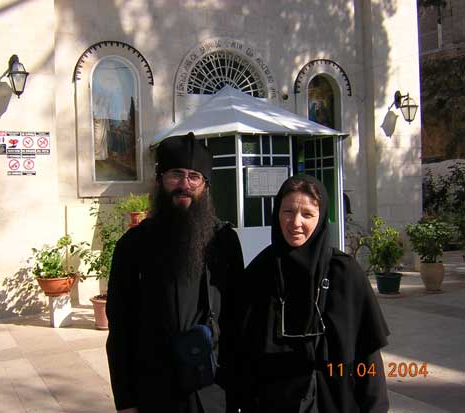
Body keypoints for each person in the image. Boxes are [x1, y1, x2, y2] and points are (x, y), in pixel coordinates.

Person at [106, 132, 244, 413]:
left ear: (205, 185)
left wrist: (240, 392)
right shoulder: (133, 245)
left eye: (194, 177)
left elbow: (237, 319)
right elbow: (120, 328)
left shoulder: (224, 242)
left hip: (213, 389)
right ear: (160, 179)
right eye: (176, 175)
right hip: (155, 389)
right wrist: (126, 400)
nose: (185, 185)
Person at [237, 175, 389, 412]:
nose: (295, 222)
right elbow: (244, 357)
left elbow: (368, 354)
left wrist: (375, 408)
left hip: (336, 401)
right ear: (277, 214)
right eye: (288, 212)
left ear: (320, 218)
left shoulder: (344, 273)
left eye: (307, 214)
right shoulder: (259, 273)